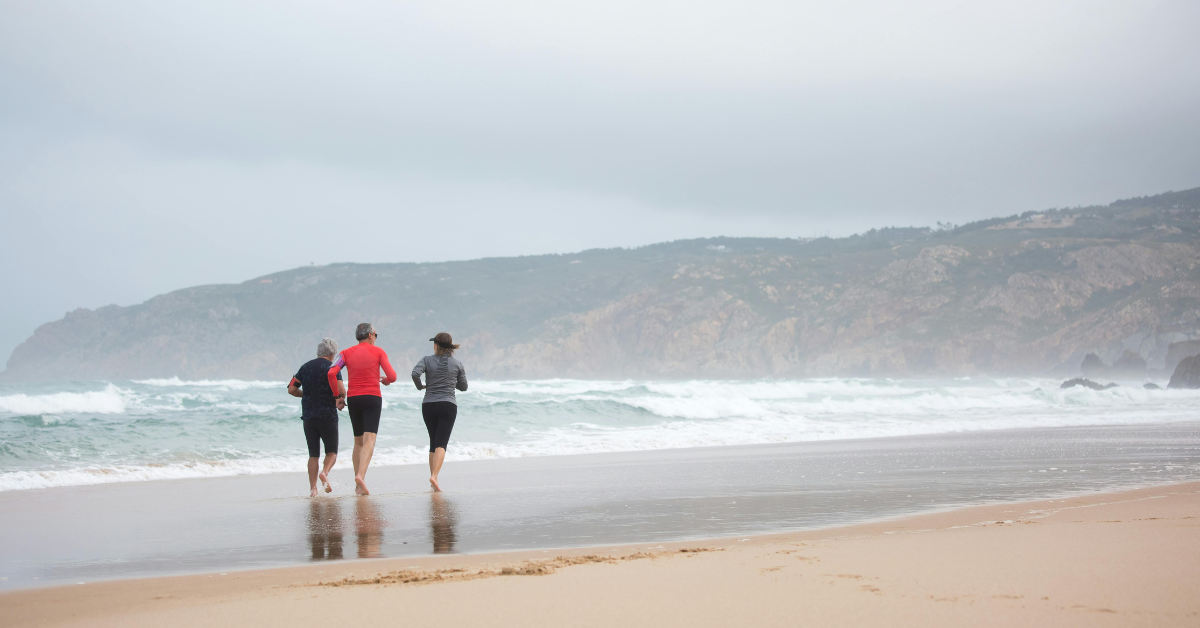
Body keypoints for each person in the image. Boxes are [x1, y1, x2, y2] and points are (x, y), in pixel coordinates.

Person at [328, 323, 397, 496]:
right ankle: (361, 476)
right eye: (375, 334)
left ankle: (358, 484)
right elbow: (393, 376)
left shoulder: (345, 353)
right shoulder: (379, 351)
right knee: (369, 440)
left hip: (354, 398)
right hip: (372, 398)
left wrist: (338, 397)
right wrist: (387, 381)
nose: (375, 338)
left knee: (358, 441)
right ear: (371, 335)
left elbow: (331, 373)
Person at [287, 338, 345, 497]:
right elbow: (340, 390)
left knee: (313, 454)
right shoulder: (333, 367)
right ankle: (324, 473)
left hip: (309, 417)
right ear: (332, 354)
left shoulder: (304, 367)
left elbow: (291, 389)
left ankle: (313, 489)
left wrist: (306, 394)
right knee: (331, 452)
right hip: (328, 415)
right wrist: (341, 399)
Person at [411, 332, 468, 492]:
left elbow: (415, 373)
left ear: (436, 345)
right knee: (441, 444)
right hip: (448, 405)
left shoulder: (426, 360)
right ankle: (434, 477)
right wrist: (451, 382)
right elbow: (464, 387)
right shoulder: (457, 364)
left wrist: (420, 386)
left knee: (433, 443)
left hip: (428, 405)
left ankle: (432, 479)